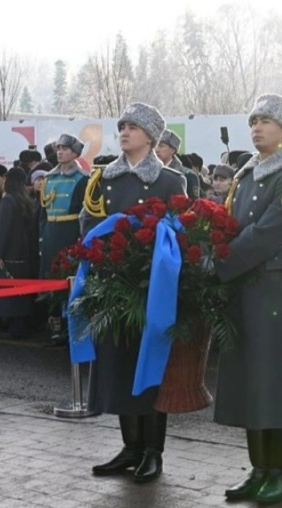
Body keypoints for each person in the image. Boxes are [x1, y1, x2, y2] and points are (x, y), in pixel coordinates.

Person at [213, 93, 282, 505]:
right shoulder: (247, 175)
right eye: (253, 121)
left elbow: (267, 234)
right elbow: (229, 225)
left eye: (265, 122)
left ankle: (280, 474)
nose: (256, 128)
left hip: (276, 288)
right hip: (244, 286)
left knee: (277, 383)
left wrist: (218, 264)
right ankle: (258, 470)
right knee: (250, 382)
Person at [80, 103, 187, 481]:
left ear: (150, 135)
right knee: (121, 366)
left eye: (133, 127)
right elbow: (89, 224)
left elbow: (178, 237)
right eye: (122, 126)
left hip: (149, 287)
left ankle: (153, 451)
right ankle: (130, 446)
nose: (124, 132)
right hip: (113, 283)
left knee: (151, 366)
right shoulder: (104, 178)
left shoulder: (171, 181)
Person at [40, 134, 90, 346]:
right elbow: (43, 213)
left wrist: (81, 240)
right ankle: (54, 324)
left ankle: (70, 325)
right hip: (52, 232)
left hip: (70, 232)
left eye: (65, 149)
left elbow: (84, 213)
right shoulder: (49, 179)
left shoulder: (83, 179)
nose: (60, 152)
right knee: (50, 278)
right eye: (58, 148)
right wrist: (42, 237)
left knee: (68, 278)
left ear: (76, 153)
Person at [0, 167, 37, 339]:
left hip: (10, 250)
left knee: (10, 290)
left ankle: (14, 329)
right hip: (23, 250)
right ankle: (22, 327)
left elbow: (4, 229)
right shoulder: (26, 199)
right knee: (21, 291)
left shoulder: (8, 201)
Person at [156, 129, 200, 198]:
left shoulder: (188, 175)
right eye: (155, 145)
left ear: (173, 150)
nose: (156, 150)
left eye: (161, 146)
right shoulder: (149, 172)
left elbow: (194, 203)